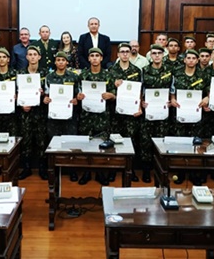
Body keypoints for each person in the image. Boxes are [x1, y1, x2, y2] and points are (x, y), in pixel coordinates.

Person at [76, 48, 116, 185]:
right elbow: (77, 93)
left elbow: (115, 95)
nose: (94, 58)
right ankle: (86, 172)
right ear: (88, 59)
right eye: (91, 55)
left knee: (101, 145)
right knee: (86, 144)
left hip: (102, 116)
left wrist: (111, 96)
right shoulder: (82, 75)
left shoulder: (108, 75)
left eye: (97, 56)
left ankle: (100, 173)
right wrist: (78, 96)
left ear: (101, 58)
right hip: (86, 115)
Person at [169, 49, 209, 185]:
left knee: (195, 143)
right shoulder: (177, 74)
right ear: (184, 60)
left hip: (196, 114)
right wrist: (172, 99)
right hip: (180, 113)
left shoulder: (203, 75)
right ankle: (180, 171)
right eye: (189, 58)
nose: (191, 60)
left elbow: (209, 92)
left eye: (194, 58)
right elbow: (172, 90)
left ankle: (193, 172)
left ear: (197, 61)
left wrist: (207, 99)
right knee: (181, 142)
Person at [44, 51, 81, 181]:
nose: (60, 62)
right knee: (53, 143)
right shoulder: (49, 77)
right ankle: (53, 170)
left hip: (69, 116)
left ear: (67, 62)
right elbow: (46, 94)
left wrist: (77, 100)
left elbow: (78, 94)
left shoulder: (74, 77)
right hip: (53, 116)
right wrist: (46, 99)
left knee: (70, 142)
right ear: (55, 62)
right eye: (58, 60)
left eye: (63, 60)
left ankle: (72, 170)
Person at [109, 43, 143, 182]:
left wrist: (140, 107)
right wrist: (113, 88)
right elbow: (107, 91)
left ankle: (130, 170)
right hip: (115, 111)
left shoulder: (136, 70)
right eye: (122, 52)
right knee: (115, 139)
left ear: (130, 54)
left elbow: (140, 91)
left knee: (131, 140)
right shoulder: (111, 70)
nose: (124, 54)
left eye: (127, 52)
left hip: (131, 113)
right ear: (117, 54)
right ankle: (113, 169)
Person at [140, 44, 173, 183]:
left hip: (163, 110)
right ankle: (146, 170)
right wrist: (141, 102)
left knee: (161, 141)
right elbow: (140, 88)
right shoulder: (144, 70)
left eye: (159, 53)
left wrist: (172, 100)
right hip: (148, 110)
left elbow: (172, 89)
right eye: (154, 53)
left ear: (163, 55)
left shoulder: (170, 71)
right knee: (146, 141)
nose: (157, 55)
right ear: (150, 55)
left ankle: (160, 170)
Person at [17, 46, 48, 180]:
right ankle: (27, 168)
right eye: (30, 54)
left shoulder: (45, 74)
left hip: (40, 112)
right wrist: (21, 104)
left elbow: (50, 93)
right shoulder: (21, 74)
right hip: (26, 112)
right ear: (27, 57)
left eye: (35, 54)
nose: (33, 57)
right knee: (26, 140)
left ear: (39, 57)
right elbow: (15, 93)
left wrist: (44, 94)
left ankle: (42, 168)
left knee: (41, 141)